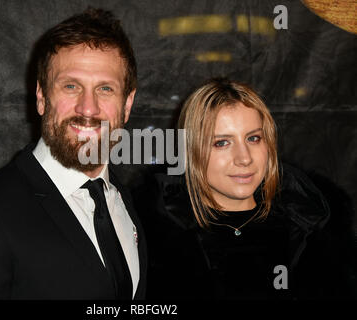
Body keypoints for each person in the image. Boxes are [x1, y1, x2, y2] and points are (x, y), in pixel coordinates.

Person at [0, 8, 147, 299]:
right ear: (42, 97)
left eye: (105, 89)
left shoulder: (124, 199)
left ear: (127, 104)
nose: (88, 108)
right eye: (71, 86)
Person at [142, 78, 341, 299]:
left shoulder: (308, 223)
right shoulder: (153, 238)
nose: (244, 158)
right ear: (191, 151)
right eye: (221, 143)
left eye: (254, 138)